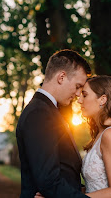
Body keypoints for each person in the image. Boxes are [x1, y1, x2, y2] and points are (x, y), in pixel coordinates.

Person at [16, 49, 91, 198]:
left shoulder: (48, 110)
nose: (78, 94)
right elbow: (49, 181)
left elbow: (64, 171)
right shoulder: (39, 113)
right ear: (61, 77)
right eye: (77, 86)